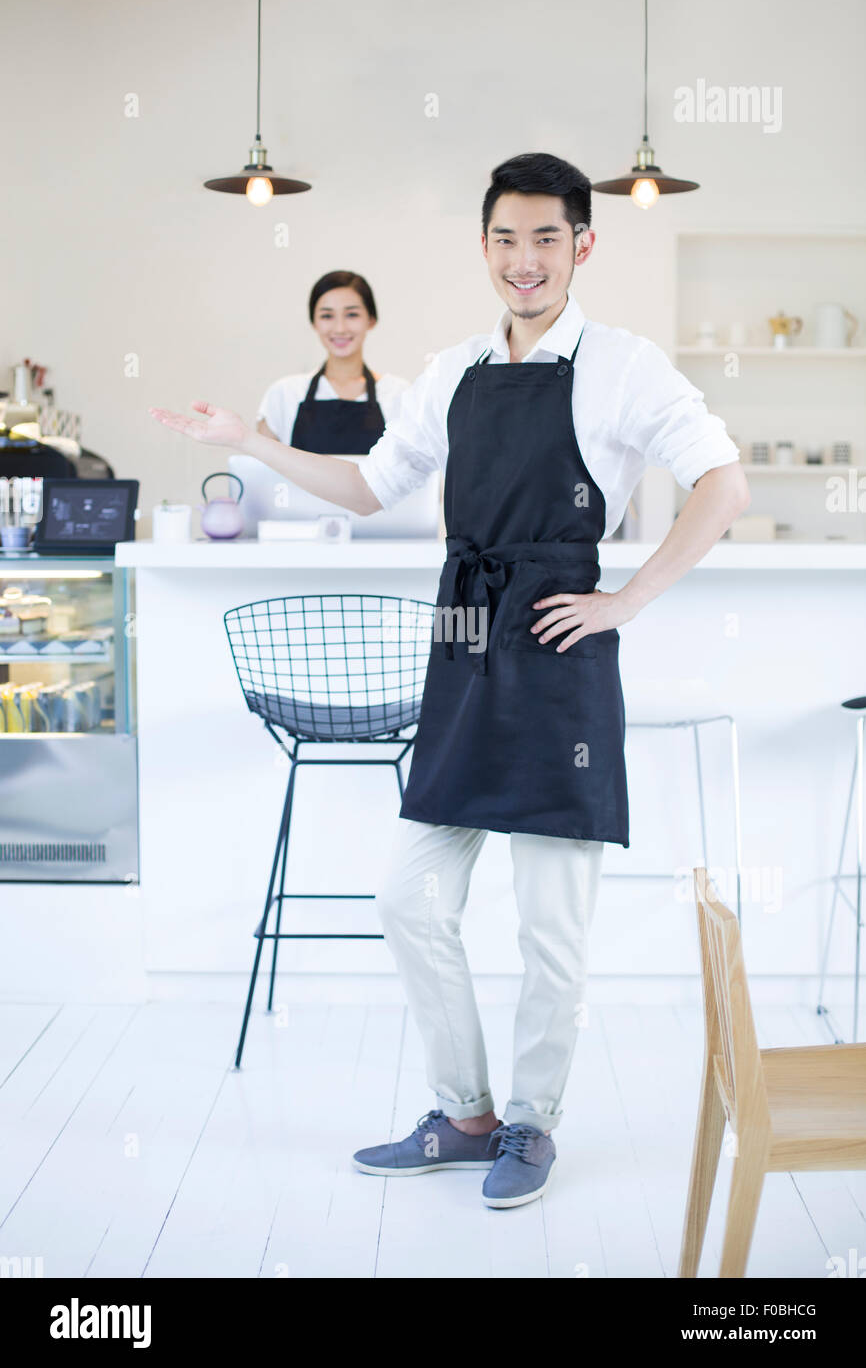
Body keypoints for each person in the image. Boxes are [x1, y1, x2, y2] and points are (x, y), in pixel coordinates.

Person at [149, 152, 749, 1211]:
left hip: (561, 645)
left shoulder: (622, 364)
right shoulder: (452, 369)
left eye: (547, 239)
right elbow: (372, 483)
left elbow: (722, 478)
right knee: (409, 897)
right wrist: (252, 440)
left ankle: (531, 1124)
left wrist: (627, 597)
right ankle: (465, 1112)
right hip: (464, 631)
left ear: (581, 246)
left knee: (547, 925)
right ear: (484, 248)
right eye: (506, 240)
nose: (525, 260)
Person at [256, 270, 410, 455]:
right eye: (327, 316)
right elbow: (263, 473)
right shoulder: (285, 394)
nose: (340, 328)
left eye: (352, 314)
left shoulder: (398, 394)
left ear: (371, 320)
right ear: (314, 322)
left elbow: (417, 476)